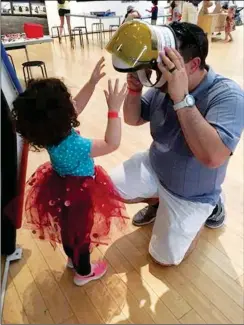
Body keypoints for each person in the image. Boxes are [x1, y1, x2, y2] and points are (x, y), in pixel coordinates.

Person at [109, 22, 244, 266]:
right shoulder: (162, 82)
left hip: (192, 192)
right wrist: (134, 90)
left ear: (193, 64)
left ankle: (210, 209)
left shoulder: (228, 95)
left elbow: (213, 157)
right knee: (108, 188)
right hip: (156, 167)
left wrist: (181, 98)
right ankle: (158, 202)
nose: (160, 66)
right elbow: (133, 118)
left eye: (169, 60)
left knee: (164, 258)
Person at [9, 58, 128, 285]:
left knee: (69, 227)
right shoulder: (76, 146)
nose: (72, 103)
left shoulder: (49, 134)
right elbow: (111, 144)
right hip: (81, 193)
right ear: (62, 114)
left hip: (60, 186)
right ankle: (84, 272)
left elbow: (77, 106)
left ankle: (73, 260)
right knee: (82, 233)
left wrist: (92, 82)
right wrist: (114, 111)